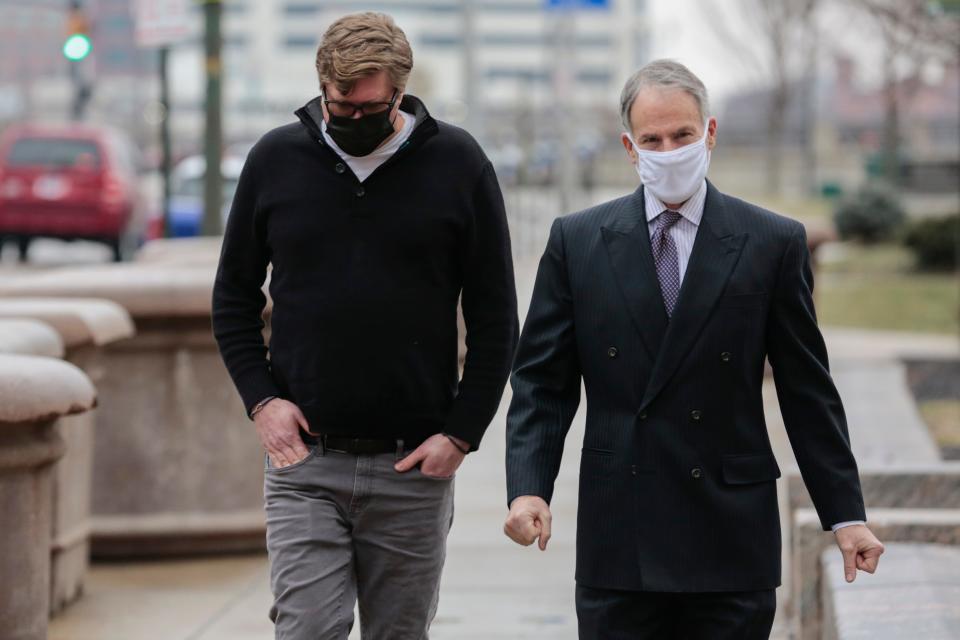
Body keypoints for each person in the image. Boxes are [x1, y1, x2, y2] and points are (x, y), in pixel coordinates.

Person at [503, 59, 883, 639]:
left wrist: (845, 515)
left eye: (682, 135)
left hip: (730, 535)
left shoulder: (772, 242)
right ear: (631, 149)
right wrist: (529, 486)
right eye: (652, 139)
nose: (669, 149)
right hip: (620, 533)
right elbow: (542, 382)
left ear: (709, 134)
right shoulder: (576, 241)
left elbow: (807, 390)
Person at [211, 12, 518, 639]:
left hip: (413, 467)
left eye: (370, 110)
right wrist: (262, 402)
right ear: (323, 90)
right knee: (307, 630)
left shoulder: (458, 164)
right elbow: (232, 300)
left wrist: (461, 435)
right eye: (339, 108)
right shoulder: (276, 160)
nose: (353, 121)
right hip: (306, 466)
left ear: (399, 95)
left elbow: (496, 318)